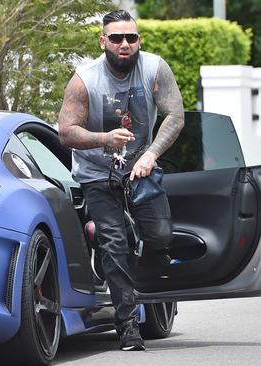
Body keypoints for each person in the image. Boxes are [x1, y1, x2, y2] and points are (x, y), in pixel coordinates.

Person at [58, 9, 184, 351]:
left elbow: (175, 114)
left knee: (160, 235)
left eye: (131, 37)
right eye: (116, 38)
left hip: (140, 167)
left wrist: (151, 154)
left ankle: (129, 240)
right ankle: (128, 327)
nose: (124, 44)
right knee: (114, 249)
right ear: (103, 41)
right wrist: (103, 139)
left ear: (139, 39)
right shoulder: (84, 80)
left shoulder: (155, 69)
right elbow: (66, 131)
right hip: (97, 174)